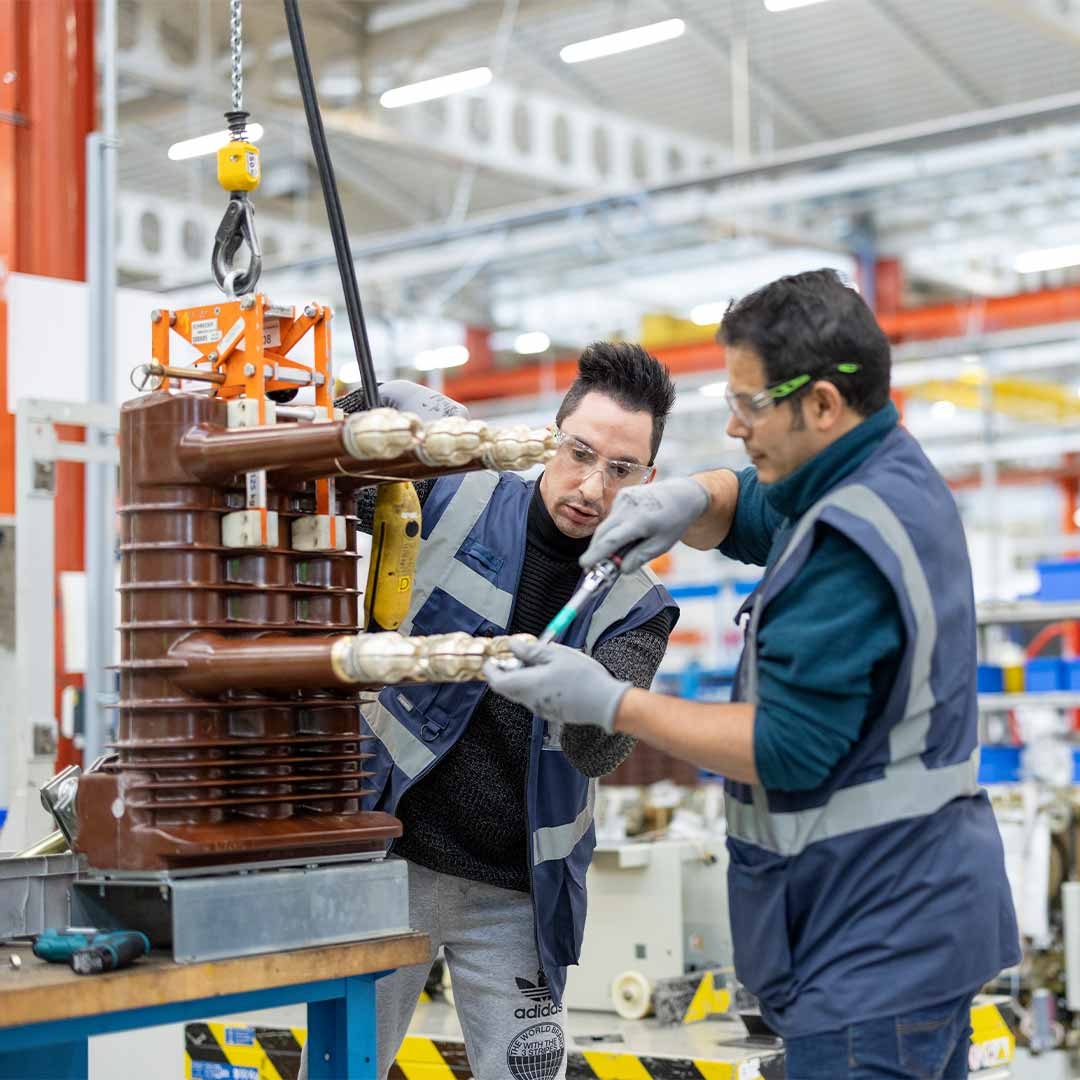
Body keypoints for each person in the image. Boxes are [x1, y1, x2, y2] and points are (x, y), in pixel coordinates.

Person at [486, 270, 1020, 1080]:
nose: (734, 428)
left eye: (750, 405)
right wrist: (678, 500)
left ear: (822, 406)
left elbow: (785, 747)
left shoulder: (848, 541)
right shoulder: (868, 474)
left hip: (872, 937)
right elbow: (743, 502)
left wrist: (613, 701)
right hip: (913, 921)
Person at [304, 343, 679, 1080]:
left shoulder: (639, 605)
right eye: (580, 453)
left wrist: (589, 699)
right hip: (388, 862)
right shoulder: (452, 493)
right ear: (552, 437)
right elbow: (331, 476)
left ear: (648, 481)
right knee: (341, 1071)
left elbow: (597, 756)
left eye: (621, 470)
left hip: (515, 896)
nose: (592, 486)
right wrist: (377, 409)